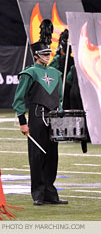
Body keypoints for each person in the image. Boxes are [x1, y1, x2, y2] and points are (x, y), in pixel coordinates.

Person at [12, 20, 68, 206]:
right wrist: (22, 121)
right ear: (36, 55)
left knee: (53, 155)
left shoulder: (56, 73)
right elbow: (18, 99)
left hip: (53, 118)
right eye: (44, 53)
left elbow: (59, 98)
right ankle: (38, 193)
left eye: (48, 52)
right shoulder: (29, 73)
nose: (47, 55)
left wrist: (60, 113)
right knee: (37, 155)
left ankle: (51, 193)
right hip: (37, 116)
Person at [49, 29, 74, 109]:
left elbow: (48, 71)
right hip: (71, 89)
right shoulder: (74, 61)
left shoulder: (58, 59)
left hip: (61, 89)